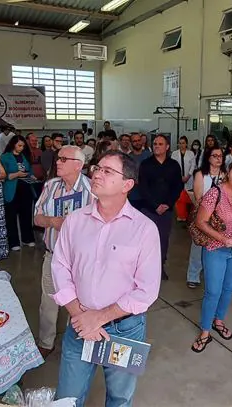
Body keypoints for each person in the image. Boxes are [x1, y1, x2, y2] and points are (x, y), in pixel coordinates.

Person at [51, 151, 160, 406]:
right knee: (67, 397)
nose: (97, 174)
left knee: (120, 398)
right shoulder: (75, 221)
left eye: (107, 171)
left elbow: (146, 291)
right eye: (97, 168)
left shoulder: (144, 230)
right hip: (78, 324)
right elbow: (60, 267)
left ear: (127, 185)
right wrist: (80, 316)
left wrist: (98, 319)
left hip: (125, 330)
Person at [191, 160, 232, 353]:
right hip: (216, 249)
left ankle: (218, 321)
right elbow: (201, 222)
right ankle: (205, 331)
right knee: (213, 291)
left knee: (228, 288)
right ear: (228, 172)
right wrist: (222, 238)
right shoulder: (215, 193)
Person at [34, 146, 93, 359]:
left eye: (63, 159)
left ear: (78, 164)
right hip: (53, 256)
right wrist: (52, 222)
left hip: (80, 261)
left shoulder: (92, 190)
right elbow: (37, 218)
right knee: (48, 302)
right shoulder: (50, 187)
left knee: (79, 304)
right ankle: (46, 342)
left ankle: (75, 343)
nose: (57, 162)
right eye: (58, 158)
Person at [138, 134, 184, 280]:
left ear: (167, 147)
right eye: (155, 144)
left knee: (163, 239)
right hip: (149, 209)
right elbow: (143, 188)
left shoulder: (174, 165)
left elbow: (178, 187)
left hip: (166, 210)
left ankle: (160, 268)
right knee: (146, 241)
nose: (157, 146)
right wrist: (155, 205)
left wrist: (168, 204)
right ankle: (144, 270)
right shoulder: (146, 165)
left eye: (160, 144)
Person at [186, 146, 226, 289]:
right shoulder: (200, 174)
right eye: (215, 156)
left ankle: (211, 274)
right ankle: (193, 275)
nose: (218, 158)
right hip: (203, 214)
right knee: (198, 245)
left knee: (215, 248)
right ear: (208, 158)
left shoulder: (225, 174)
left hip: (220, 217)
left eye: (220, 156)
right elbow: (198, 197)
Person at [1, 136, 35, 251]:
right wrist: (17, 174)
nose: (21, 148)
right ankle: (13, 242)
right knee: (11, 216)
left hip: (25, 188)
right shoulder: (5, 157)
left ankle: (27, 238)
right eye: (19, 145)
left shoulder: (24, 156)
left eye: (23, 146)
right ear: (13, 144)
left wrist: (32, 176)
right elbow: (3, 175)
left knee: (26, 214)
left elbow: (29, 171)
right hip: (11, 189)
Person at [171, 136, 196, 222]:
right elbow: (173, 166)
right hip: (178, 178)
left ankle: (188, 215)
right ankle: (181, 215)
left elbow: (193, 166)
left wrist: (188, 176)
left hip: (188, 178)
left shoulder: (191, 153)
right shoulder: (174, 153)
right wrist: (179, 177)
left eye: (183, 143)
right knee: (179, 197)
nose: (181, 145)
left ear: (186, 144)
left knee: (188, 196)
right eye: (180, 143)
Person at [127, 133, 152, 209]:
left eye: (139, 140)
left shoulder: (149, 156)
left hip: (149, 195)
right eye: (134, 141)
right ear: (131, 143)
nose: (137, 143)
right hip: (133, 196)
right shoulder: (128, 158)